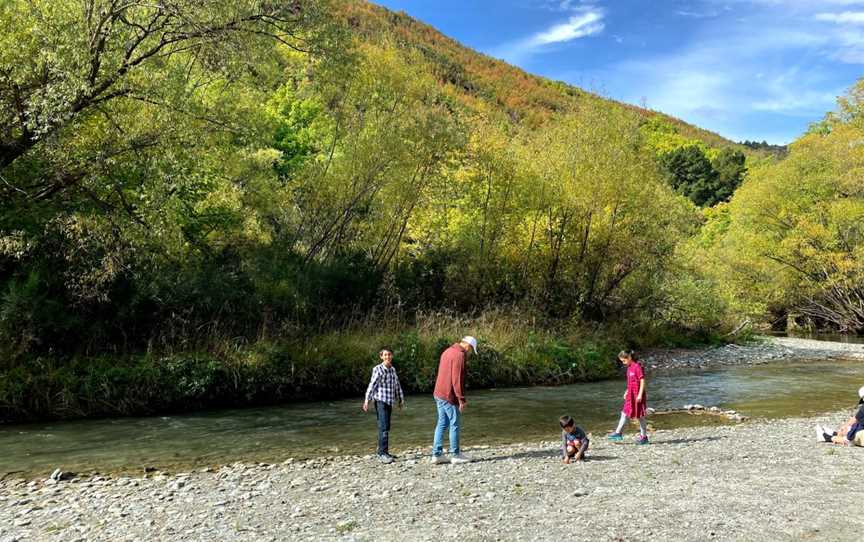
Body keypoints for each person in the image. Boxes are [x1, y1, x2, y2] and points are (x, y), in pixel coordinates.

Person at [431, 335, 478, 464]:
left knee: (442, 423)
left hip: (438, 392)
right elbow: (457, 379)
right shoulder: (460, 355)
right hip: (448, 395)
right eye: (470, 349)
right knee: (455, 424)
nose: (469, 352)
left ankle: (436, 454)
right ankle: (456, 455)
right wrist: (461, 399)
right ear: (468, 346)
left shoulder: (447, 351)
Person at [363, 349, 405, 464]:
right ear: (381, 356)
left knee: (386, 426)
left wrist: (400, 399)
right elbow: (372, 385)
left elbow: (397, 385)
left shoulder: (392, 369)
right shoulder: (377, 369)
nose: (387, 357)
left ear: (392, 356)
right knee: (384, 427)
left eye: (389, 354)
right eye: (385, 355)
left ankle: (384, 451)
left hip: (389, 401)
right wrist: (367, 400)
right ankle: (382, 453)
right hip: (380, 401)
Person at [608, 350, 649, 444]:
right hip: (630, 395)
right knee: (624, 412)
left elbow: (642, 381)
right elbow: (630, 382)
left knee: (640, 416)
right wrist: (626, 391)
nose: (623, 363)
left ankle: (644, 437)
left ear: (629, 357)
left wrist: (639, 394)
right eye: (622, 361)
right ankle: (618, 433)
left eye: (624, 361)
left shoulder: (637, 367)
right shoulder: (629, 368)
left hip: (637, 395)